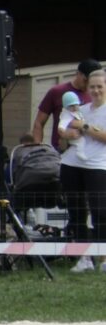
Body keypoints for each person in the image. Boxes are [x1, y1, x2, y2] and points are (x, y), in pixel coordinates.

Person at [59, 69, 106, 272]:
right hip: (71, 164)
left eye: (100, 87)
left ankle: (103, 258)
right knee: (76, 212)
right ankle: (84, 258)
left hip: (97, 166)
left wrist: (84, 126)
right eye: (92, 87)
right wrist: (67, 134)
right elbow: (65, 136)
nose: (95, 91)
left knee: (100, 213)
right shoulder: (81, 109)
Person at [30, 59, 101, 149]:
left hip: (88, 149)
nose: (88, 85)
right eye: (85, 80)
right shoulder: (57, 91)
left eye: (92, 82)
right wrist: (37, 148)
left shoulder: (97, 94)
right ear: (78, 74)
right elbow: (39, 123)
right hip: (62, 149)